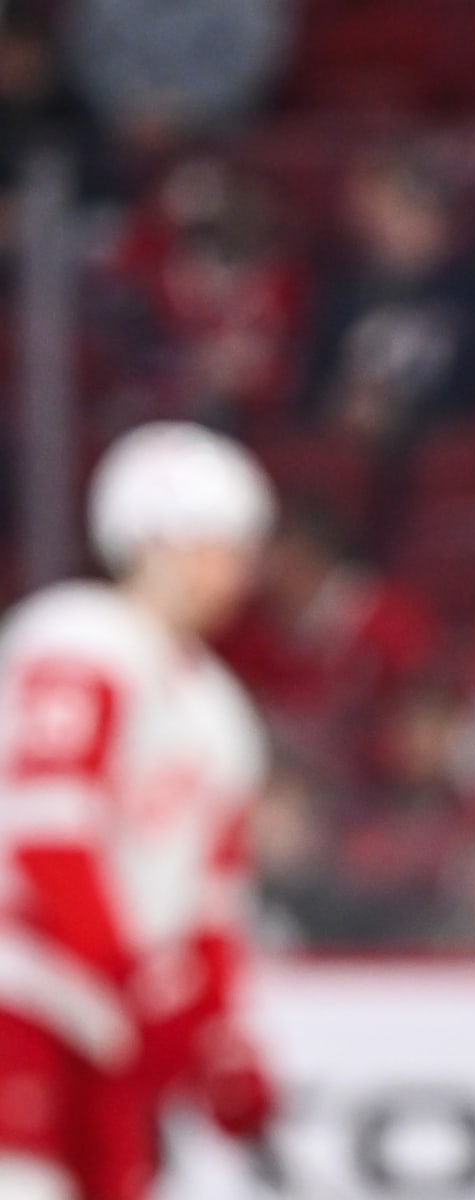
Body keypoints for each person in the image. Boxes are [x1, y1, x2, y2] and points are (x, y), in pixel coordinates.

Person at [0, 423, 277, 1199]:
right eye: (220, 544)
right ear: (157, 539)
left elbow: (211, 903)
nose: (238, 571)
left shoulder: (219, 707)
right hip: (26, 999)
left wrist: (219, 1042)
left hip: (110, 1028)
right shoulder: (77, 640)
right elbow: (48, 836)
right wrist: (142, 985)